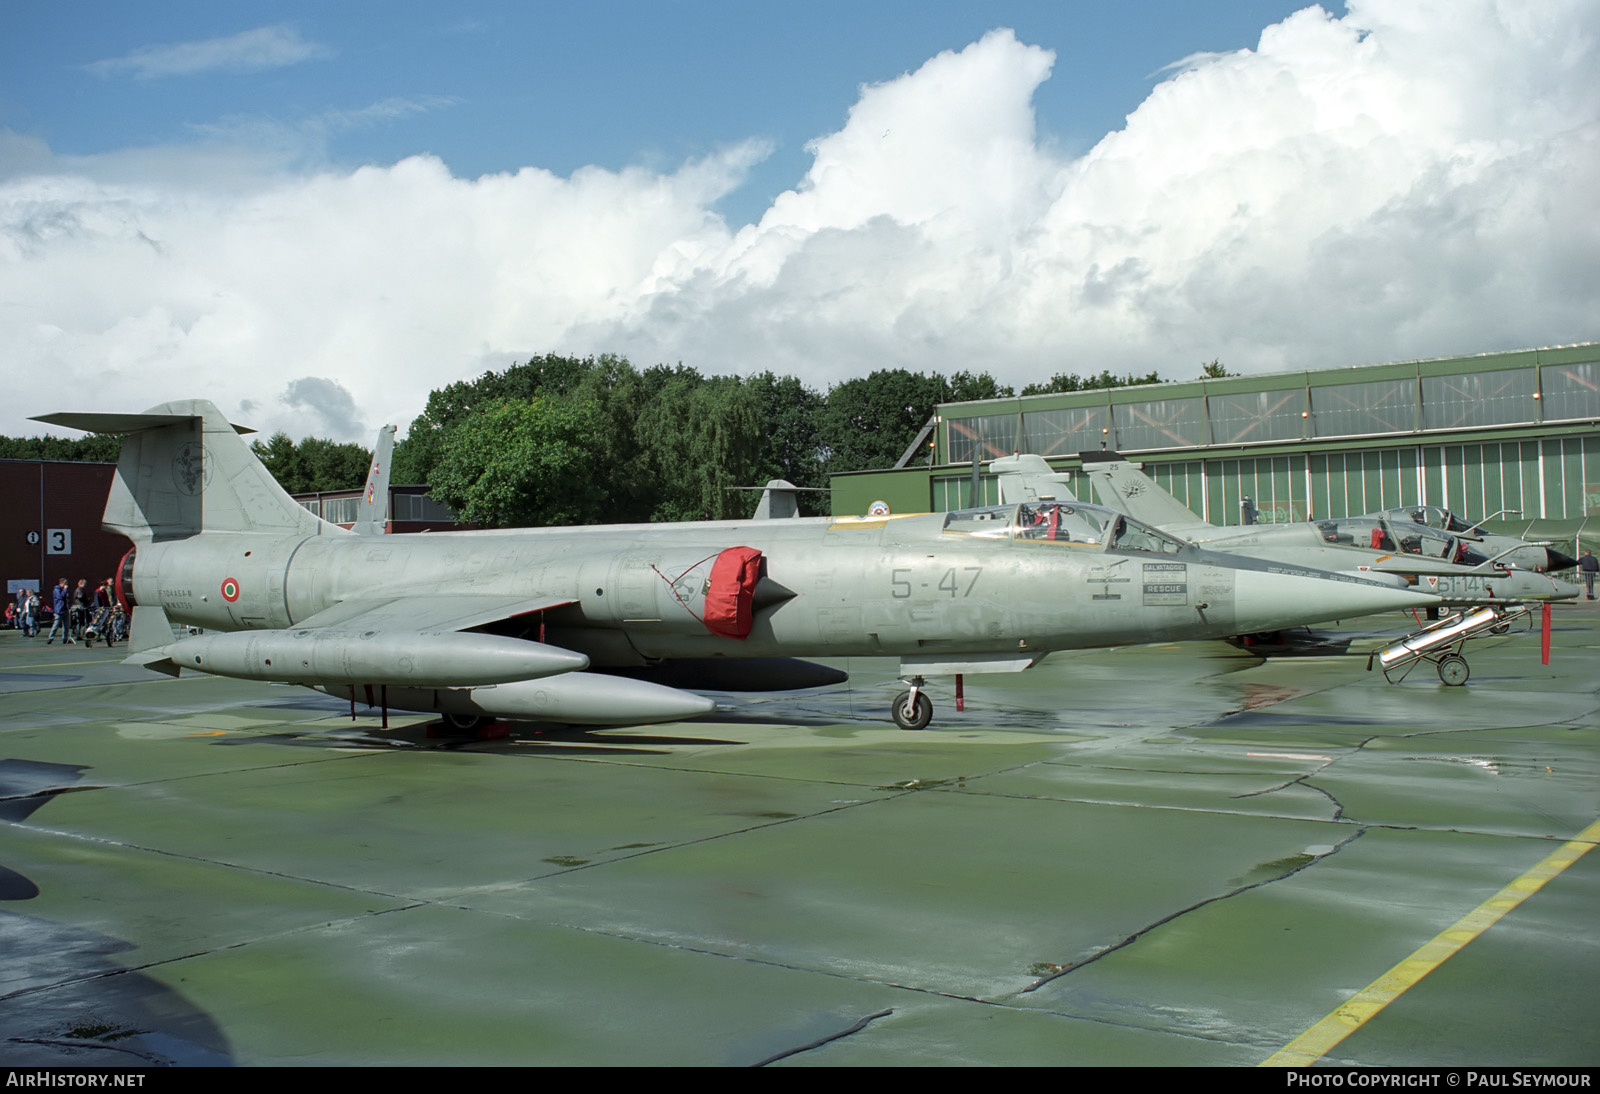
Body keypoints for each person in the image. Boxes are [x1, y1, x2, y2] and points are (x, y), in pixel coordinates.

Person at [46, 579, 70, 643]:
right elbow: (61, 596)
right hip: (59, 610)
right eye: (65, 584)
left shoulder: (64, 590)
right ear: (61, 583)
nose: (66, 585)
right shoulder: (56, 589)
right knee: (56, 624)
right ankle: (51, 637)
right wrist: (65, 590)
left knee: (66, 625)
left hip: (65, 609)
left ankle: (65, 638)